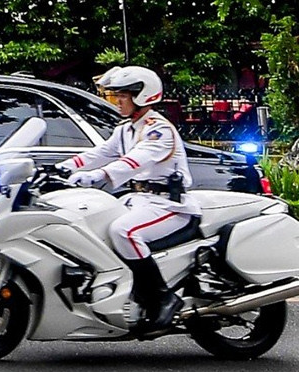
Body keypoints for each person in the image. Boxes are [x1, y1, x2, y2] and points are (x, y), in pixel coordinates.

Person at [56, 65, 198, 333]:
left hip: (169, 204)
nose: (117, 101)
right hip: (140, 200)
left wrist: (97, 175)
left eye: (123, 96)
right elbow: (99, 153)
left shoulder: (159, 131)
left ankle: (162, 297)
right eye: (117, 95)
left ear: (142, 96)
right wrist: (63, 167)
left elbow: (134, 161)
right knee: (93, 227)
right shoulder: (126, 129)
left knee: (124, 231)